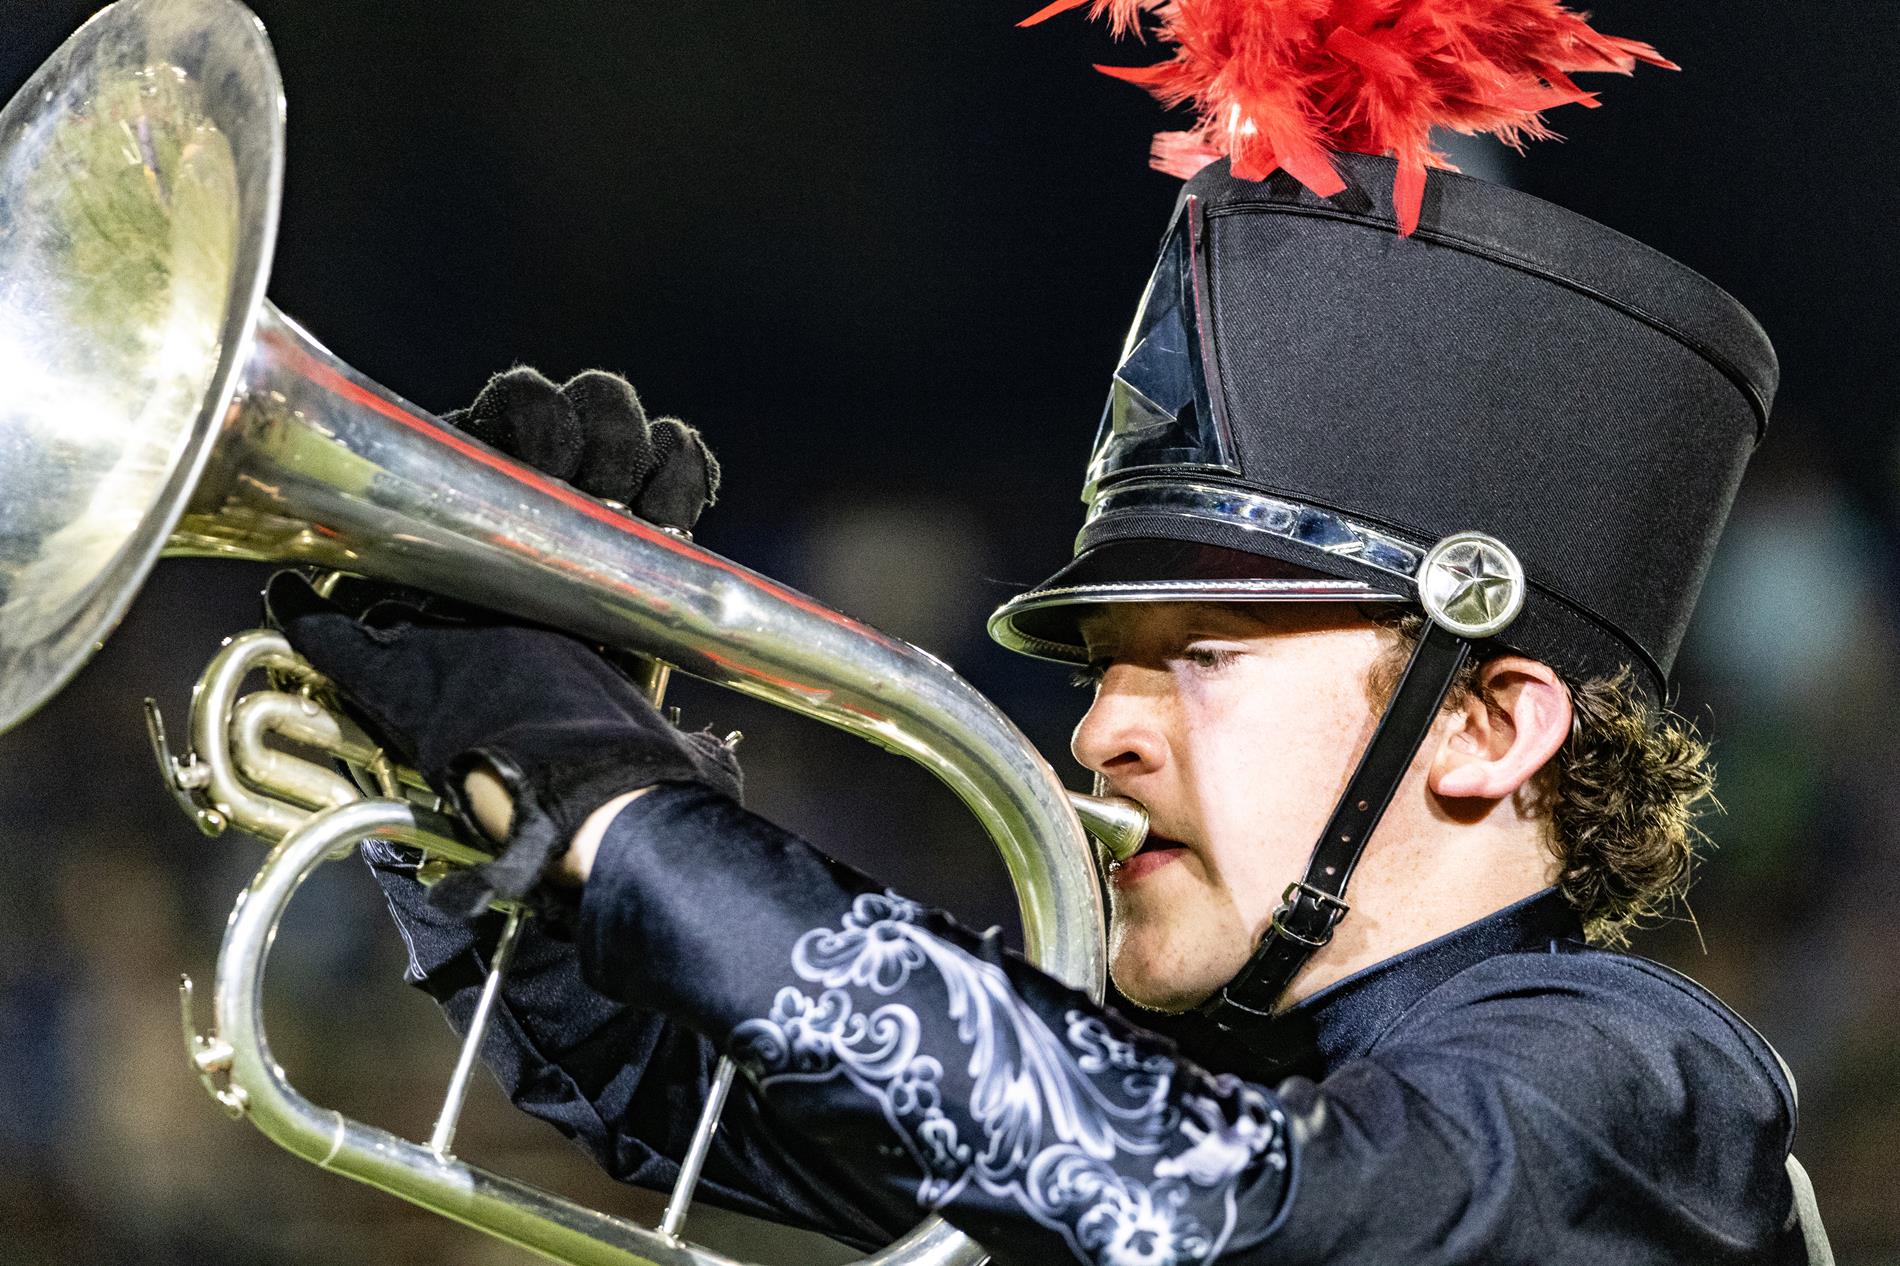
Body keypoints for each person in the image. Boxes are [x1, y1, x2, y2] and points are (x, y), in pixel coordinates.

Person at [268, 5, 1833, 1261]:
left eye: (1202, 653)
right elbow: (665, 1096)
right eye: (1102, 665)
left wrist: (612, 799)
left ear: (1490, 726)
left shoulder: (1634, 1083)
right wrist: (467, 777)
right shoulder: (1236, 1074)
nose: (1096, 730)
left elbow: (1219, 1208)